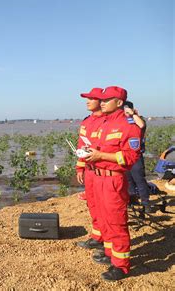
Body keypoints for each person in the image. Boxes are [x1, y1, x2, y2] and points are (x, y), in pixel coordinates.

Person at [85, 86, 142, 281]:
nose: (101, 102)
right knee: (105, 220)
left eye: (106, 99)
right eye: (101, 99)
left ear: (119, 102)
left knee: (116, 223)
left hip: (113, 180)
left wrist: (101, 155)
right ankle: (111, 255)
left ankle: (121, 266)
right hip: (98, 177)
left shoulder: (129, 125)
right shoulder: (104, 123)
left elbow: (131, 156)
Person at [75, 88, 106, 251]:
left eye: (91, 99)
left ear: (101, 102)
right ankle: (97, 236)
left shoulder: (109, 121)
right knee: (92, 204)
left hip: (104, 171)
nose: (87, 102)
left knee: (105, 207)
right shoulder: (86, 121)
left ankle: (108, 241)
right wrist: (80, 168)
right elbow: (82, 146)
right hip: (90, 171)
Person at [123, 101, 153, 213]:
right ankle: (133, 201)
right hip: (124, 156)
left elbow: (142, 125)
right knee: (128, 181)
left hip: (136, 156)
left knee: (139, 180)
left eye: (126, 109)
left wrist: (133, 114)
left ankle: (146, 203)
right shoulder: (121, 122)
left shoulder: (138, 120)